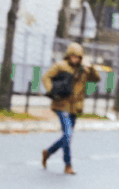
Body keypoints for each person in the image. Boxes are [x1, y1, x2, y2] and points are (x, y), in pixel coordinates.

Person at [41, 42, 99, 175]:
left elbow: (96, 79)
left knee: (67, 137)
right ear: (68, 56)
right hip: (61, 105)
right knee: (67, 134)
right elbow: (46, 77)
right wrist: (52, 90)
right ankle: (68, 165)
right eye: (73, 56)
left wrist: (91, 68)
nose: (75, 59)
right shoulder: (61, 66)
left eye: (78, 57)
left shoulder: (83, 69)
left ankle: (48, 152)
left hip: (75, 108)